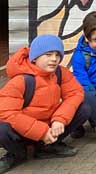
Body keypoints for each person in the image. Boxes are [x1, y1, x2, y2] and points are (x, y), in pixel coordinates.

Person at [0, 35, 90, 172]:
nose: (54, 59)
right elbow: (6, 113)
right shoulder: (21, 80)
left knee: (83, 108)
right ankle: (17, 154)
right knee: (2, 127)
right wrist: (41, 132)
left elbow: (75, 93)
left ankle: (46, 147)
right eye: (48, 55)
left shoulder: (60, 72)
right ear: (35, 58)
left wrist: (60, 119)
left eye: (57, 55)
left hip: (50, 127)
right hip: (24, 132)